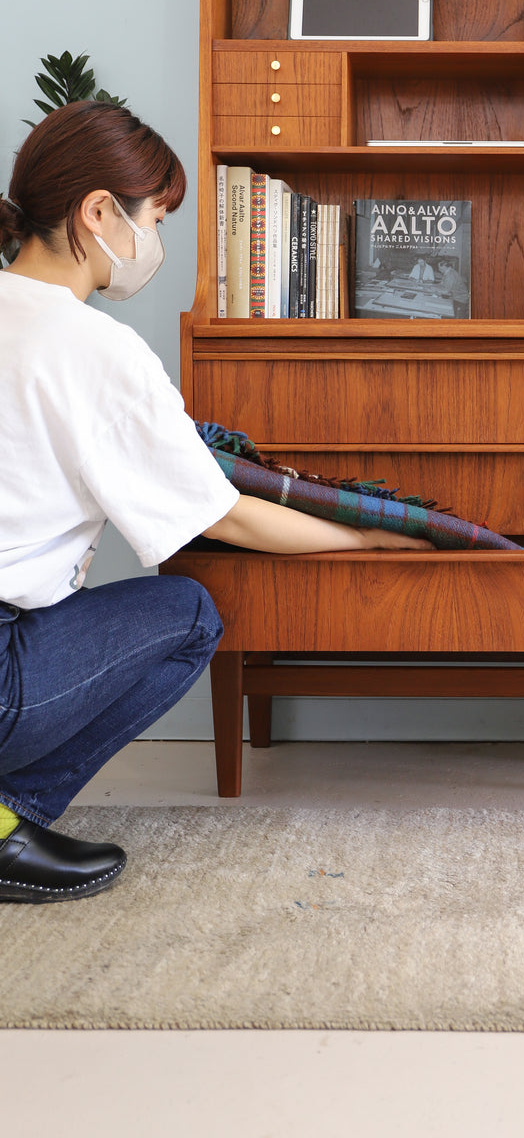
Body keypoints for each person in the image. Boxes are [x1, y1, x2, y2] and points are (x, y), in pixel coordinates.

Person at [0, 101, 431, 905]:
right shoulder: (93, 347)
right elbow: (222, 514)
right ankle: (6, 823)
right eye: (154, 219)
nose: (154, 244)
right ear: (98, 213)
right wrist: (366, 541)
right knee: (189, 613)